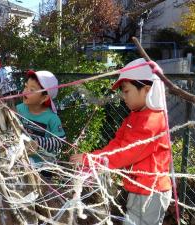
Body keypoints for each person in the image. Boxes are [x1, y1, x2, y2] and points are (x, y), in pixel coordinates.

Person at [70, 58, 172, 225]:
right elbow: (117, 144)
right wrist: (94, 158)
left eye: (126, 91)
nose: (123, 97)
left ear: (146, 90)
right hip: (141, 189)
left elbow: (125, 153)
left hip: (150, 192)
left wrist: (92, 159)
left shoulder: (151, 121)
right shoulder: (136, 115)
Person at [16, 70, 66, 175]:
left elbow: (60, 141)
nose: (26, 91)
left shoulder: (52, 118)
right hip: (21, 160)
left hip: (43, 166)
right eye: (26, 87)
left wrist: (38, 144)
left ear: (44, 97)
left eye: (32, 90)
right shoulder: (19, 109)